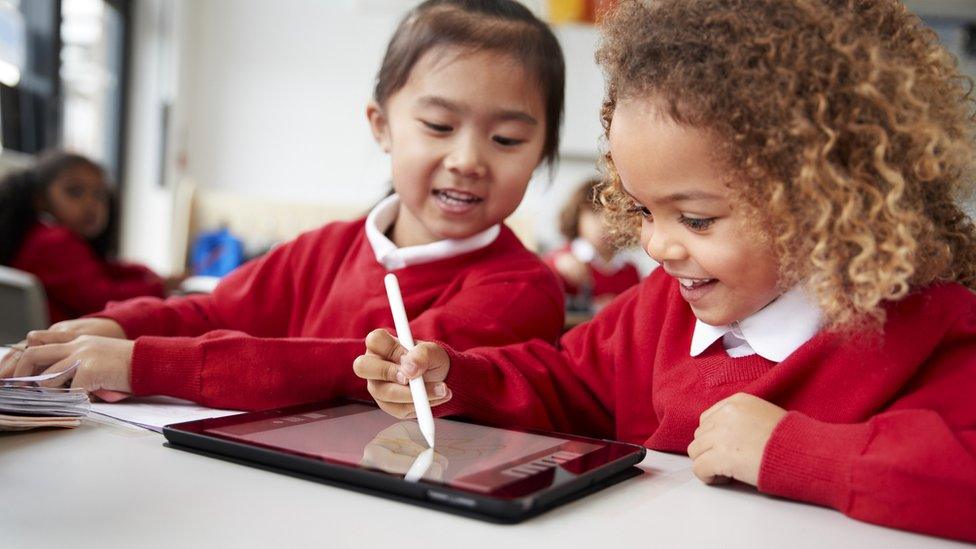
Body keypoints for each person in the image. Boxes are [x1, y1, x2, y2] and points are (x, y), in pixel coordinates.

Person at [353, 0, 976, 541]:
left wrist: (791, 453)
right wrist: (460, 378)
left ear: (825, 200)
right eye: (643, 209)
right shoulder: (661, 308)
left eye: (697, 220)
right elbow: (569, 382)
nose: (656, 246)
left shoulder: (927, 328)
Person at [1, 0, 566, 411]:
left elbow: (355, 371)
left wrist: (141, 362)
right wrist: (113, 325)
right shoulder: (325, 248)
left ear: (542, 152)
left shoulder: (521, 288)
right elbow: (213, 311)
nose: (468, 159)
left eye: (508, 139)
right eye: (439, 125)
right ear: (382, 126)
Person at [0, 151, 168, 323]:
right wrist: (161, 288)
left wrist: (140, 272)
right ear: (41, 199)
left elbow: (97, 272)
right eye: (75, 192)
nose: (91, 204)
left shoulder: (38, 235)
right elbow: (102, 299)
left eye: (99, 195)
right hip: (59, 344)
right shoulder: (55, 242)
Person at [544, 178, 641, 311]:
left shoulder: (630, 271)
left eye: (612, 215)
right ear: (577, 216)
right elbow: (542, 274)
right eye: (594, 212)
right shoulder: (564, 259)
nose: (604, 223)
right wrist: (558, 263)